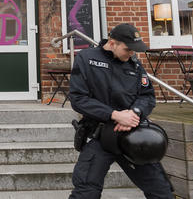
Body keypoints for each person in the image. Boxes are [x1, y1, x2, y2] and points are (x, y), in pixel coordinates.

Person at [68, 23, 173, 199]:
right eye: (127, 49)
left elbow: (148, 97)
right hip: (99, 135)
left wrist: (134, 114)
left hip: (133, 137)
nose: (132, 53)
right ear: (112, 42)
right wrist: (115, 115)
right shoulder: (86, 58)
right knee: (86, 193)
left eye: (135, 50)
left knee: (161, 191)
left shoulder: (135, 65)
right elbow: (78, 99)